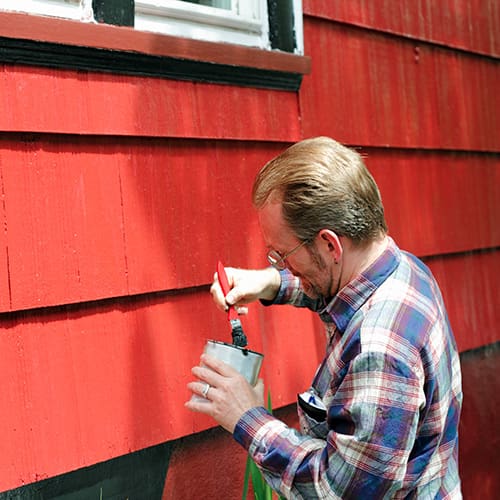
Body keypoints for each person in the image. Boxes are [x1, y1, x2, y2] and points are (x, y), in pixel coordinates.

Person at [186, 137, 462, 499]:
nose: (281, 265)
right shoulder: (404, 271)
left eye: (282, 255)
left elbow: (342, 490)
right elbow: (341, 292)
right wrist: (269, 283)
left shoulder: (380, 349)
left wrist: (246, 416)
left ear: (330, 245)